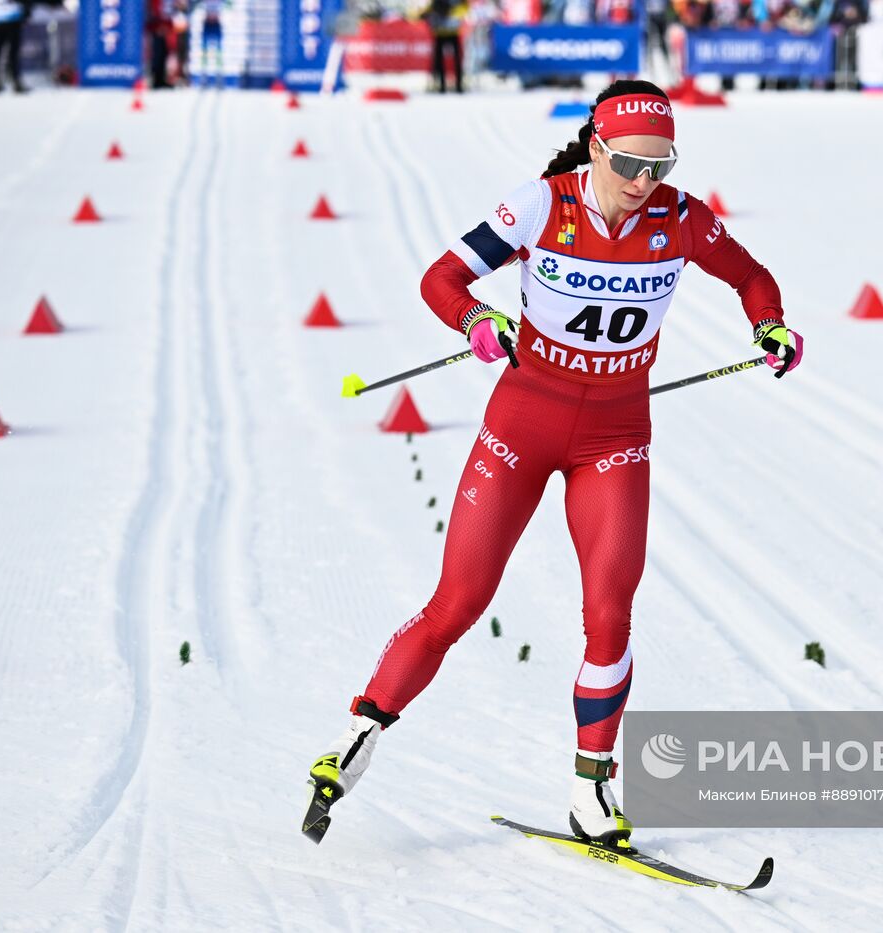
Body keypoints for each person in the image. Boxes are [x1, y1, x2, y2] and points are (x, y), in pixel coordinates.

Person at [305, 79, 803, 847]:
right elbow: (441, 279)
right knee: (459, 601)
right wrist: (476, 318)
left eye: (660, 166)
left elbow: (751, 276)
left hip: (615, 436)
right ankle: (357, 741)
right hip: (522, 423)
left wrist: (770, 327)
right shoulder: (541, 205)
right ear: (597, 146)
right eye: (631, 163)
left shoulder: (681, 218)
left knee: (609, 613)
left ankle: (590, 789)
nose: (644, 183)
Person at [0, 0, 29, 94]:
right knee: (9, 52)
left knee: (2, 51)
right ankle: (14, 82)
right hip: (8, 16)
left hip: (0, 16)